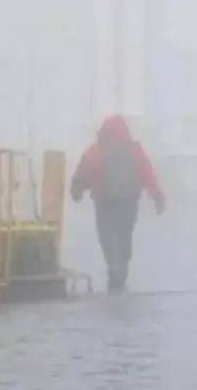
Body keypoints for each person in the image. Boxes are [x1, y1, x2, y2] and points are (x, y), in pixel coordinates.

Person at [70, 115, 165, 293]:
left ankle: (114, 269)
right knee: (124, 236)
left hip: (104, 201)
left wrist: (77, 189)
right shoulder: (134, 151)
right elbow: (147, 173)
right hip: (129, 202)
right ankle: (121, 272)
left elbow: (85, 170)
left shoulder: (98, 150)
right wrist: (157, 195)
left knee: (107, 237)